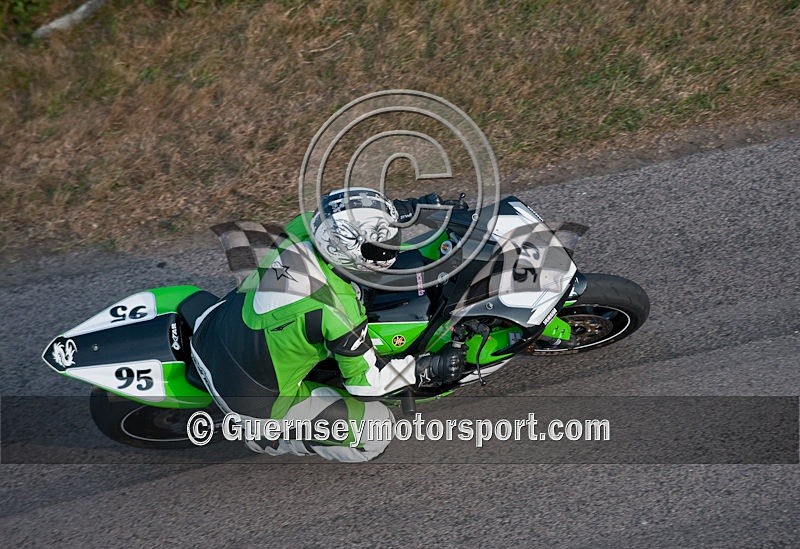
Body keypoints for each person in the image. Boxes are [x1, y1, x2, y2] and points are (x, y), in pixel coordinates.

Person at [189, 188, 466, 462]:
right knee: (376, 432)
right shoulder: (337, 310)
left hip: (213, 326)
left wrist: (410, 209)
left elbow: (352, 216)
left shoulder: (306, 228)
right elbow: (366, 385)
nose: (389, 248)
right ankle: (267, 435)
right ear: (346, 252)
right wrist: (425, 368)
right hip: (253, 399)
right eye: (381, 247)